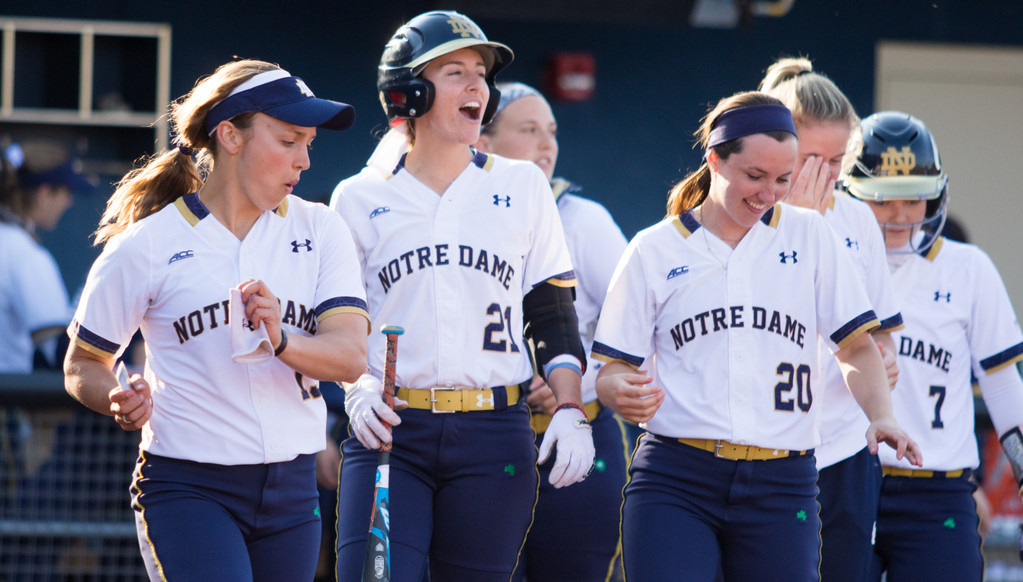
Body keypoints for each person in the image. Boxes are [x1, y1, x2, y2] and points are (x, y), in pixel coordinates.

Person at [592, 91, 922, 582]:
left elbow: (855, 346)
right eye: (754, 176)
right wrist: (616, 389)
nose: (769, 192)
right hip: (677, 476)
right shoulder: (653, 249)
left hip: (782, 479)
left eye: (783, 179)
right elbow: (612, 368)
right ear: (715, 161)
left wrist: (881, 415)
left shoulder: (812, 235)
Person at [62, 59, 370, 582]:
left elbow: (349, 357)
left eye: (309, 144)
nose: (305, 161)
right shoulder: (146, 244)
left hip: (293, 488)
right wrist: (115, 394)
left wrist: (283, 338)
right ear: (230, 135)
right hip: (188, 485)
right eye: (289, 140)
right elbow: (83, 363)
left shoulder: (323, 229)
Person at [329, 11, 595, 581]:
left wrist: (572, 408)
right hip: (392, 432)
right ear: (409, 92)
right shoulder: (356, 197)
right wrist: (358, 388)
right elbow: (341, 322)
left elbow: (552, 312)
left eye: (481, 72)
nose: (477, 85)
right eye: (456, 71)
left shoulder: (522, 185)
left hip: (493, 431)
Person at [842, 111, 1023, 581]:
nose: (901, 215)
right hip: (846, 480)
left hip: (937, 489)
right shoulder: (830, 257)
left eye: (915, 198)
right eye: (883, 200)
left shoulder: (968, 269)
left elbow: (1002, 386)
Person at [474, 81, 629, 582]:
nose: (547, 144)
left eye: (552, 131)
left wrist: (576, 383)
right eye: (529, 130)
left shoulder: (584, 219)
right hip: (483, 443)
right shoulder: (453, 216)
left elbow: (640, 331)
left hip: (579, 437)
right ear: (483, 140)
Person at [758, 57, 903, 582]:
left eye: (837, 158)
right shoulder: (744, 211)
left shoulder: (856, 215)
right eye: (812, 157)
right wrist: (794, 223)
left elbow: (880, 327)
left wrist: (886, 358)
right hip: (763, 440)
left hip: (843, 441)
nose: (827, 172)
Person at [0, 140, 91, 373]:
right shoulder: (23, 252)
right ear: (44, 193)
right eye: (65, 192)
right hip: (8, 395)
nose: (69, 202)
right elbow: (61, 352)